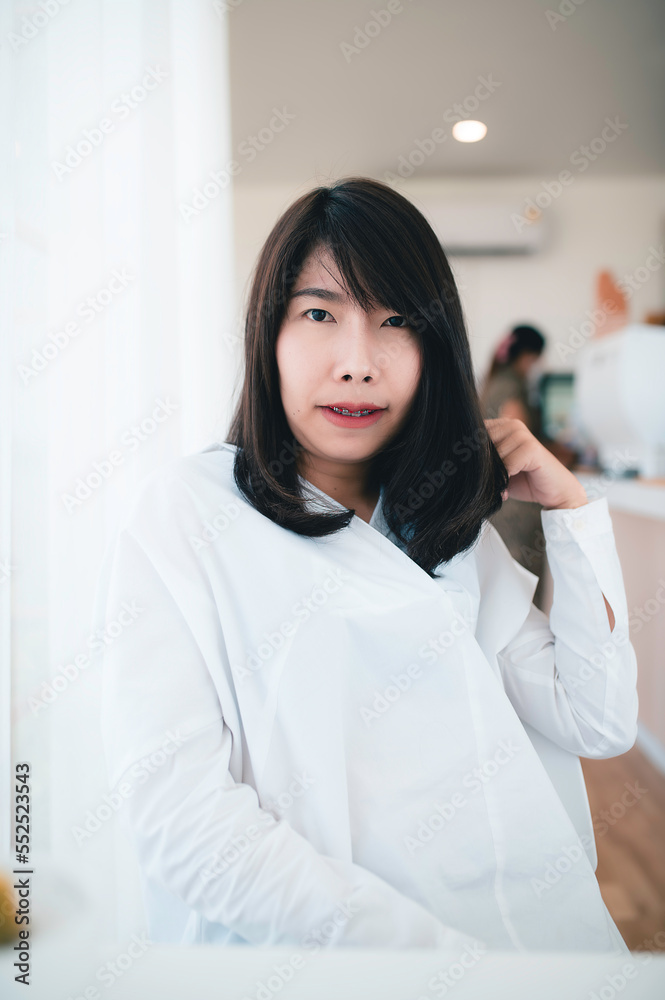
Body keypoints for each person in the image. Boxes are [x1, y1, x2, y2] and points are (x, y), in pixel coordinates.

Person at [94, 178, 637, 953]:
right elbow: (184, 823)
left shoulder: (442, 528)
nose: (357, 362)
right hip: (326, 966)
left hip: (531, 949)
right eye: (319, 314)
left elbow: (598, 718)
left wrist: (572, 513)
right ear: (267, 335)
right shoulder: (185, 516)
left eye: (396, 322)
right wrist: (437, 965)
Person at [479, 325, 549, 608]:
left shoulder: (491, 382)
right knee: (524, 595)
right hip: (519, 507)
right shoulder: (513, 386)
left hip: (497, 504)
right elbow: (519, 440)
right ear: (529, 356)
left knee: (502, 593)